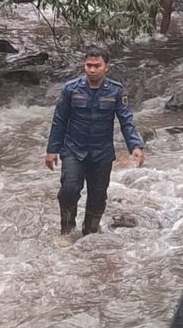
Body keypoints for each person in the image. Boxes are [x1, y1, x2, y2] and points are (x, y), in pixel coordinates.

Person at [45, 48, 145, 242]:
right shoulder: (71, 89)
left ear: (106, 67)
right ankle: (67, 229)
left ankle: (89, 234)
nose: (92, 70)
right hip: (74, 150)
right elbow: (59, 120)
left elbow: (126, 120)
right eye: (88, 65)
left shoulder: (116, 90)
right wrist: (52, 150)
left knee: (98, 196)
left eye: (97, 66)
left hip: (102, 152)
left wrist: (136, 146)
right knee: (69, 189)